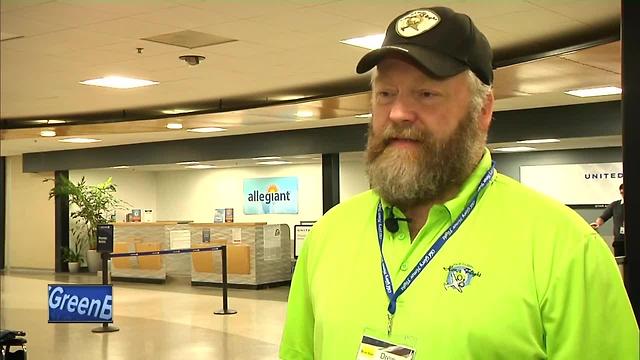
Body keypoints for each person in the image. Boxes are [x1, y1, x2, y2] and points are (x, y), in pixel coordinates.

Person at [279, 6, 638, 360]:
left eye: (426, 94)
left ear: (482, 111)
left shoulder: (566, 250)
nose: (399, 112)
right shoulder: (329, 235)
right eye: (385, 94)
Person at [591, 183, 625, 256]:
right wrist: (597, 224)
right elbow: (603, 217)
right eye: (622, 193)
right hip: (619, 241)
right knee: (620, 263)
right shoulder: (615, 205)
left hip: (636, 241)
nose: (623, 194)